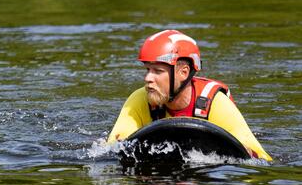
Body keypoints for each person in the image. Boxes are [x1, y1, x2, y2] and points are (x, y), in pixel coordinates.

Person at [107, 30, 272, 161]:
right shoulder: (139, 98)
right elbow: (113, 149)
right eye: (147, 70)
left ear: (183, 72)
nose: (148, 78)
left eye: (157, 71)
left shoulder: (215, 103)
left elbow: (260, 158)